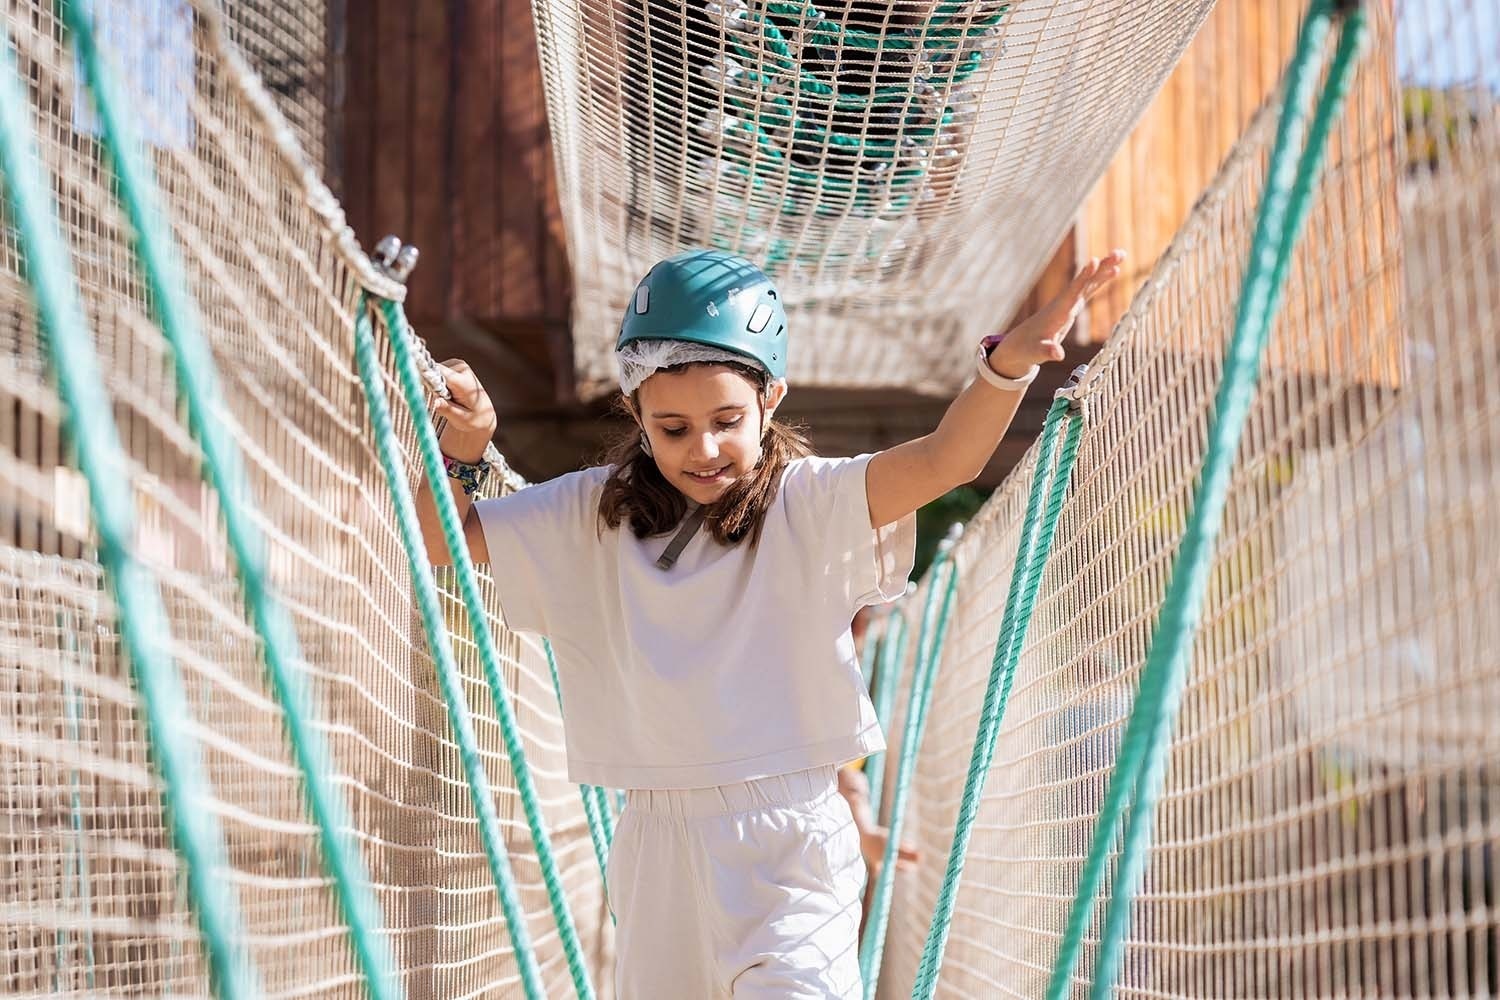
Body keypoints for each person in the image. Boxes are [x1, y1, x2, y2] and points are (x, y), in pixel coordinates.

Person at [416, 246, 1124, 998]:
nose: (705, 448)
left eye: (726, 420)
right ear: (637, 416)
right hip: (657, 846)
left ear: (770, 400)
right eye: (674, 427)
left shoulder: (810, 502)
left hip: (792, 842)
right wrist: (461, 449)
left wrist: (1005, 365)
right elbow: (442, 540)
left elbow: (947, 459)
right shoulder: (590, 512)